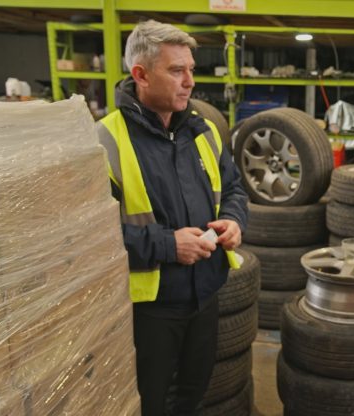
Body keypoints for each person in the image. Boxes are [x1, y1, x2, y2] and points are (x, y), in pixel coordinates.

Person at [96, 20, 248, 415]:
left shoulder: (204, 130)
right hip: (149, 310)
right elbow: (91, 239)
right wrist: (167, 245)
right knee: (150, 402)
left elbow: (233, 188)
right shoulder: (105, 142)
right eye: (177, 70)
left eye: (191, 69)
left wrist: (234, 221)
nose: (190, 82)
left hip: (205, 296)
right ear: (141, 74)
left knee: (192, 395)